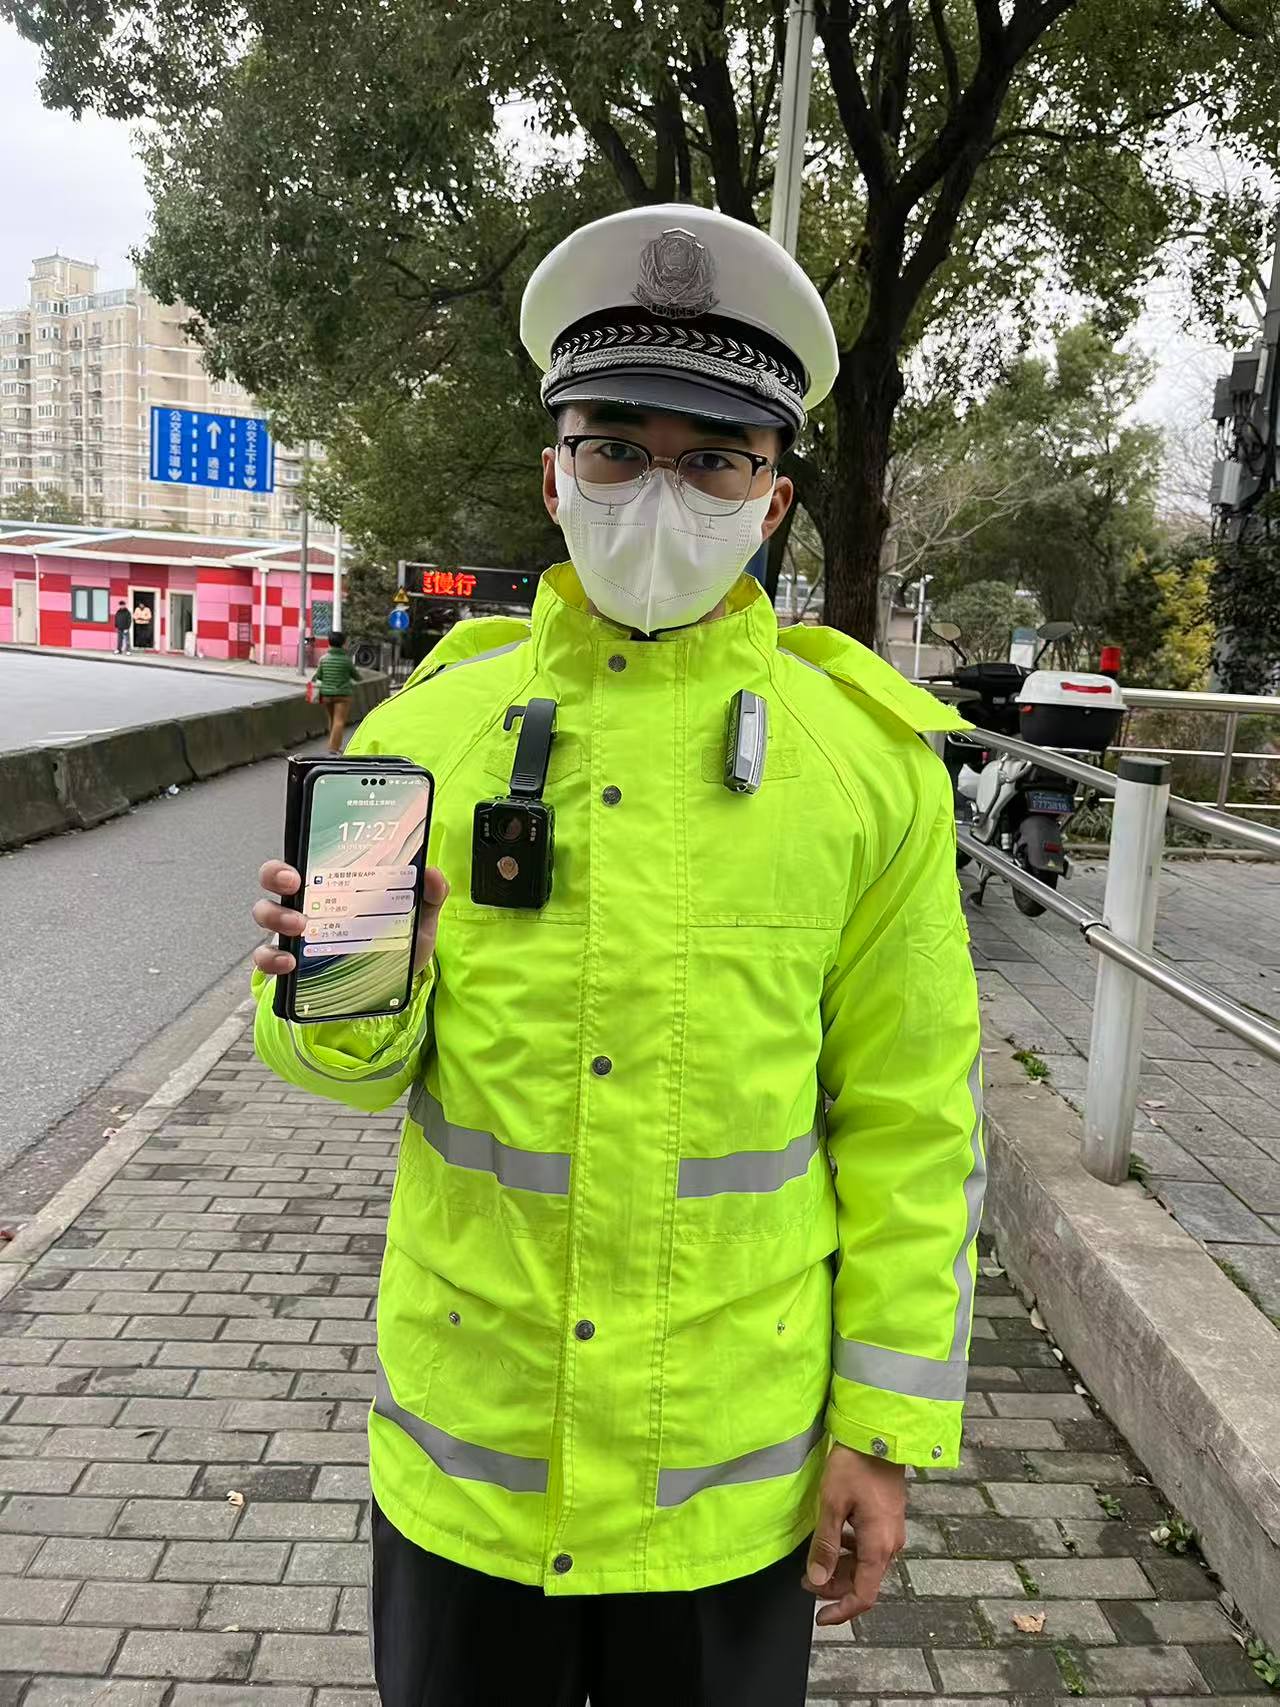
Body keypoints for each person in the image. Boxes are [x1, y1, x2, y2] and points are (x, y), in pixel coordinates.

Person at [249, 204, 983, 1707]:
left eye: (714, 460)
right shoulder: (422, 735)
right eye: (614, 449)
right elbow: (342, 1071)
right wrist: (341, 990)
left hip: (726, 1485)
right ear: (553, 473)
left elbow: (914, 1117)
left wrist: (884, 1429)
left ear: (773, 502)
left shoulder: (867, 768)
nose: (661, 491)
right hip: (472, 1468)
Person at [310, 628, 361, 752]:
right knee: (339, 721)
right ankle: (334, 748)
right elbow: (357, 677)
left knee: (332, 719)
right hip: (343, 695)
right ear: (343, 644)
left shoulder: (323, 659)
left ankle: (332, 745)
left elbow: (318, 676)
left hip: (326, 694)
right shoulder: (346, 660)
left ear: (329, 643)